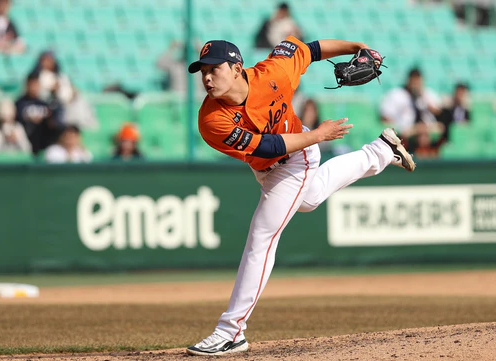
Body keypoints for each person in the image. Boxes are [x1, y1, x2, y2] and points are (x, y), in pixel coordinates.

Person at [185, 37, 415, 356]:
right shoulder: (211, 120)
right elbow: (267, 147)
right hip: (275, 157)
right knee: (311, 198)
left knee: (261, 238)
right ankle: (380, 151)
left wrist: (355, 46)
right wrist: (318, 135)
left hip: (297, 158)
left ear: (237, 68)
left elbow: (312, 49)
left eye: (215, 69)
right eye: (203, 71)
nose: (207, 78)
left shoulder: (274, 72)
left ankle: (231, 330)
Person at [380, 68, 442, 139]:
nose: (416, 85)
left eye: (418, 82)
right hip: (406, 129)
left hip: (427, 127)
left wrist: (423, 97)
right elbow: (385, 116)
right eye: (414, 82)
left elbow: (439, 112)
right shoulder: (397, 94)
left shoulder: (427, 94)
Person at [15, 73, 61, 154]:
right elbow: (16, 120)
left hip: (43, 137)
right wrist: (29, 119)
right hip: (26, 137)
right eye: (31, 85)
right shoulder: (19, 103)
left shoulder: (44, 104)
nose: (33, 88)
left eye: (36, 85)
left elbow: (53, 121)